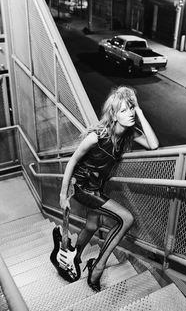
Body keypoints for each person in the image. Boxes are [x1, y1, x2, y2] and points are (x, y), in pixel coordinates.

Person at [60, 85, 159, 291]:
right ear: (114, 115)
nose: (130, 113)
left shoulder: (128, 134)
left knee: (92, 226)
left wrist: (140, 111)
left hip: (97, 187)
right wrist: (63, 195)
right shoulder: (97, 136)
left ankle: (75, 257)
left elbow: (153, 145)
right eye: (124, 110)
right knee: (127, 218)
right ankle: (98, 266)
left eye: (131, 108)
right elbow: (72, 161)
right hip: (82, 187)